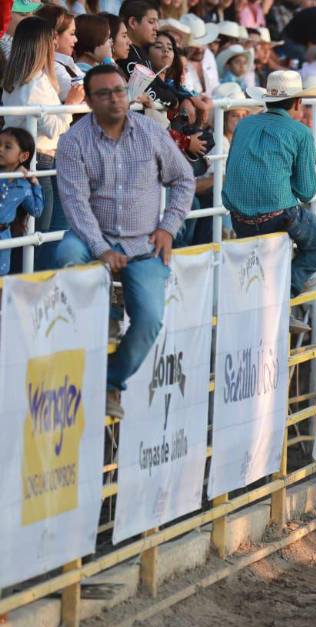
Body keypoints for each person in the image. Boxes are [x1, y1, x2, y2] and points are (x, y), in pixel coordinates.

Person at [54, 64, 196, 419]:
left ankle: (110, 380)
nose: (115, 99)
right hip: (93, 236)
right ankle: (106, 312)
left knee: (149, 319)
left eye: (119, 90)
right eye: (104, 93)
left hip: (143, 242)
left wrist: (169, 226)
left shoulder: (150, 131)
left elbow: (183, 179)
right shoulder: (73, 141)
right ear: (88, 100)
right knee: (68, 254)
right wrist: (100, 247)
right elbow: (74, 202)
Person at [223, 70, 316, 330]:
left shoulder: (246, 124)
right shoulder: (300, 133)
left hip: (240, 219)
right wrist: (307, 162)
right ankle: (286, 298)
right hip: (278, 217)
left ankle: (273, 301)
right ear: (297, 103)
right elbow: (307, 191)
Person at [2, 16, 83, 242]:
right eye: (52, 40)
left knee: (36, 234)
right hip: (39, 164)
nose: (56, 45)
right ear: (43, 45)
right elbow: (53, 129)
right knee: (40, 236)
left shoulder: (17, 80)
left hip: (32, 162)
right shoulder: (34, 82)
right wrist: (72, 104)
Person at [0, 127, 44, 276]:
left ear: (24, 156)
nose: (0, 149)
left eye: (7, 146)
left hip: (3, 235)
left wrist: (35, 184)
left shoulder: (23, 186)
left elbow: (36, 211)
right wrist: (10, 178)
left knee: (2, 278)